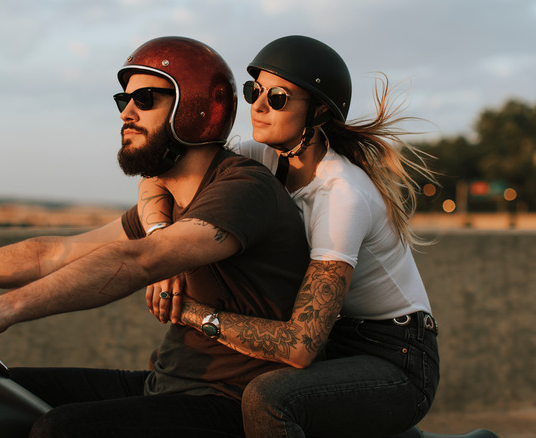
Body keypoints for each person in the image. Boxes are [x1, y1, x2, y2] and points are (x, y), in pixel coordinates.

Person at [0, 36, 310, 437]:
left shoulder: (243, 189)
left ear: (194, 107)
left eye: (145, 99)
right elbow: (54, 252)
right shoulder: (169, 200)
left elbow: (140, 260)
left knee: (60, 430)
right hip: (163, 384)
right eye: (124, 101)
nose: (126, 113)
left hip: (225, 404)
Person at [140, 35, 440, 437]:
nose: (258, 106)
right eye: (254, 91)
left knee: (269, 398)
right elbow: (159, 169)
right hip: (335, 342)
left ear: (318, 111)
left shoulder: (341, 194)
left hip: (395, 356)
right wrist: (162, 246)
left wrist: (192, 313)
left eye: (278, 97)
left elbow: (299, 345)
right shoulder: (257, 157)